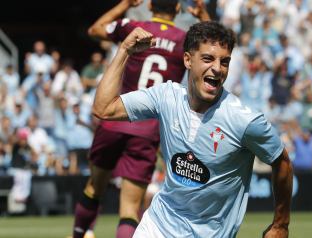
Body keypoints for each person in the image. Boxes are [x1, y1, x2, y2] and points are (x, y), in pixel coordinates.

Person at [92, 21, 292, 238]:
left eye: (224, 62)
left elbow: (281, 162)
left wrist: (280, 225)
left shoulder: (245, 120)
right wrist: (124, 50)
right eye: (208, 58)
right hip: (157, 226)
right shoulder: (165, 97)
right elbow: (104, 108)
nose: (217, 68)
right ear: (187, 59)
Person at [71, 0, 211, 237]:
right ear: (177, 9)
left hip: (115, 118)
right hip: (148, 128)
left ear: (149, 6)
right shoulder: (185, 40)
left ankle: (77, 235)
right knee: (129, 208)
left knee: (94, 188)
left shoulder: (133, 27)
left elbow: (95, 30)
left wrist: (124, 4)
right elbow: (212, 46)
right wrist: (203, 15)